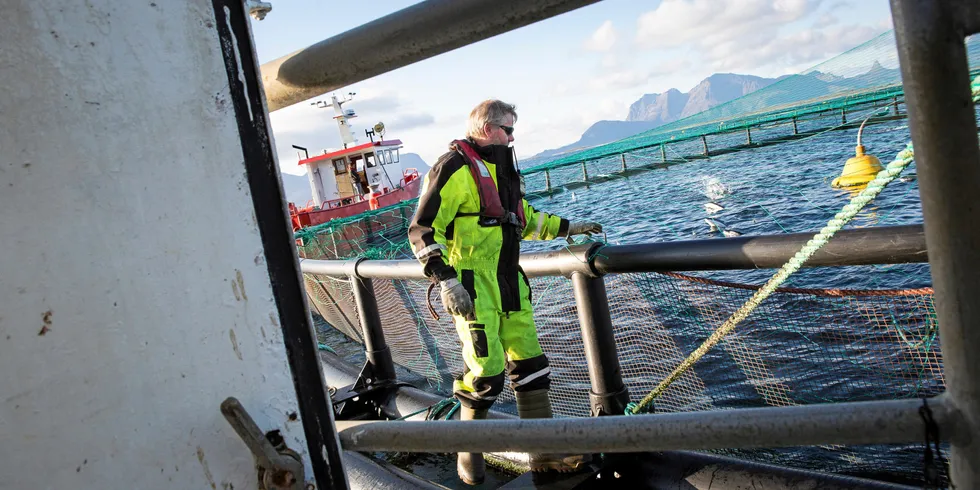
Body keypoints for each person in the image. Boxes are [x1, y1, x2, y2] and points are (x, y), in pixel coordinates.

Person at [408, 100, 603, 485]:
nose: (513, 136)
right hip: (473, 288)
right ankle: (468, 454)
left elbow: (522, 217)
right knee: (486, 374)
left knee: (532, 369)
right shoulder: (452, 168)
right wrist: (445, 279)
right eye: (507, 129)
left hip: (511, 283)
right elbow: (422, 230)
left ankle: (545, 459)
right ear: (485, 128)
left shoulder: (505, 168)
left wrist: (570, 228)